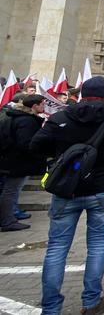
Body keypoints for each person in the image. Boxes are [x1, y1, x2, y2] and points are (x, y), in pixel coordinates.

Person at [30, 76, 104, 315]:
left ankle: (51, 308)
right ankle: (91, 302)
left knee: (56, 248)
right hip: (103, 190)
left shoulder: (61, 116)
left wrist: (62, 155)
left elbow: (36, 145)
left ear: (82, 94)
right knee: (97, 245)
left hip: (67, 189)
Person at [0, 94, 46, 232]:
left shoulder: (16, 116)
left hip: (12, 161)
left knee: (11, 191)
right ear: (34, 106)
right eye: (42, 104)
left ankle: (8, 218)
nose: (44, 106)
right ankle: (7, 220)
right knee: (11, 191)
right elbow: (26, 143)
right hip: (17, 162)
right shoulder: (26, 121)